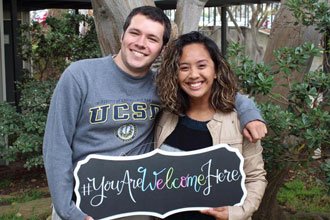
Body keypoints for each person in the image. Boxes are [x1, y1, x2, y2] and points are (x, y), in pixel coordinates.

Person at [43, 6, 266, 220]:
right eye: (135, 33)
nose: (141, 43)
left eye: (152, 38)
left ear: (162, 48)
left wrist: (248, 112)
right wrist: (67, 210)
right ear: (122, 35)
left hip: (136, 206)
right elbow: (56, 145)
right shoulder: (80, 76)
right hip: (82, 204)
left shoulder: (161, 86)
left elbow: (209, 87)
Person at [154, 31, 267, 220]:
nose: (193, 75)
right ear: (175, 74)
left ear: (215, 70)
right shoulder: (165, 117)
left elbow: (255, 177)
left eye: (202, 65)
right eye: (184, 68)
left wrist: (235, 213)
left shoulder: (239, 121)